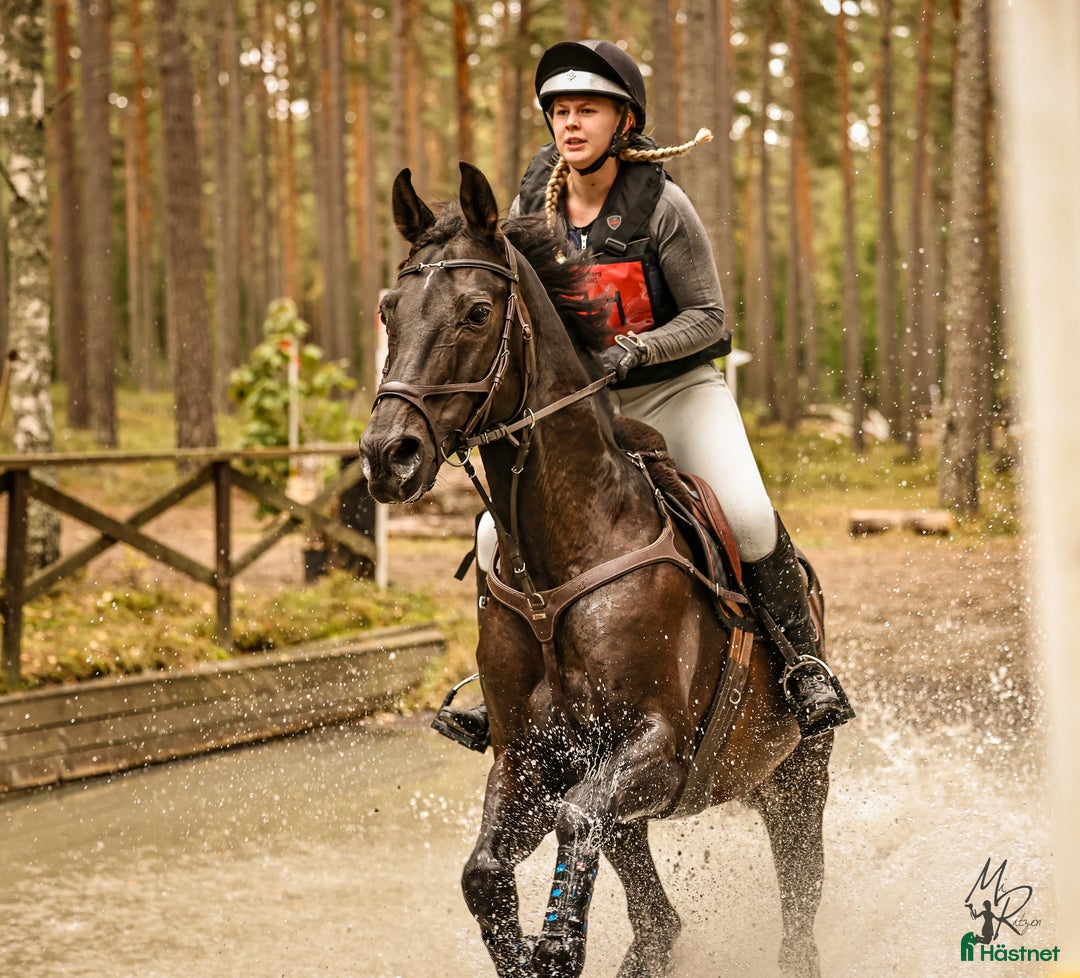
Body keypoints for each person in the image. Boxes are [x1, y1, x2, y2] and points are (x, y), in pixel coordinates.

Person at [433, 39, 853, 751]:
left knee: (748, 518)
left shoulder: (663, 204)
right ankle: (498, 693)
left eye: (587, 110)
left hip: (677, 392)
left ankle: (801, 667)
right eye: (560, 111)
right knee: (488, 534)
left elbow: (712, 318)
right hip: (584, 412)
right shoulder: (532, 203)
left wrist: (638, 349)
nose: (570, 124)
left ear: (623, 121)